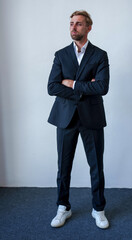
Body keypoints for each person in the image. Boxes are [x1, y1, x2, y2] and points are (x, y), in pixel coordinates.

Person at [47, 10, 110, 229]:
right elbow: (52, 87)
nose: (73, 27)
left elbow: (102, 87)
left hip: (91, 118)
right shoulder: (61, 54)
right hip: (65, 118)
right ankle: (63, 206)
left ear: (89, 27)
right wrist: (85, 86)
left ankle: (98, 209)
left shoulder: (100, 55)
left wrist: (72, 83)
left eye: (79, 24)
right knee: (63, 167)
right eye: (71, 23)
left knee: (96, 166)